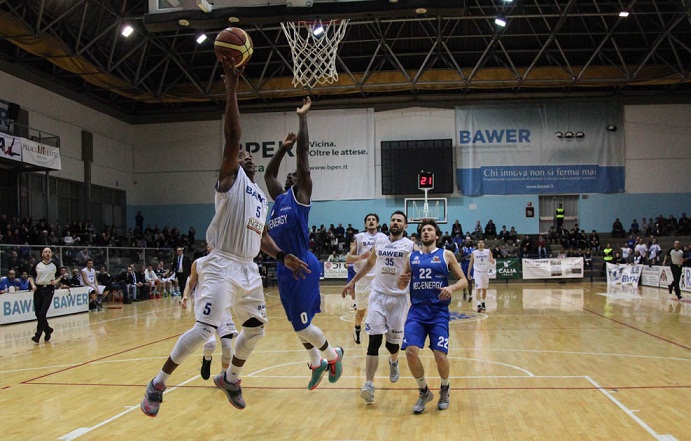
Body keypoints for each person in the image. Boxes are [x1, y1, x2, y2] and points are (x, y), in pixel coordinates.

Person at [140, 57, 309, 418]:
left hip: (248, 270)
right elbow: (233, 136)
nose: (247, 155)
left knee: (257, 331)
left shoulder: (262, 199)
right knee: (205, 331)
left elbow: (262, 236)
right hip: (221, 265)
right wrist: (231, 86)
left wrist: (282, 256)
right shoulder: (230, 182)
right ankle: (157, 383)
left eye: (249, 155)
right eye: (244, 153)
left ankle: (231, 377)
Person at [264, 96, 344, 390]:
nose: (291, 174)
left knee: (301, 324)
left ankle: (333, 356)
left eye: (296, 174)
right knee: (296, 324)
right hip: (284, 265)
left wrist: (302, 118)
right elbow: (269, 174)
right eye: (291, 174)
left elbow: (304, 157)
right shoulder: (279, 198)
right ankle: (315, 363)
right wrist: (281, 149)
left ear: (302, 180)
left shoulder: (301, 196)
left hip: (303, 265)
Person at [342, 210, 417, 405]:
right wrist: (353, 282)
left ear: (405, 226)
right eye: (393, 219)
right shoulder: (380, 242)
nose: (395, 222)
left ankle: (393, 361)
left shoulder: (411, 246)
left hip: (399, 299)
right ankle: (369, 384)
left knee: (392, 345)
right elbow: (369, 265)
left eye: (399, 220)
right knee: (373, 341)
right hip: (377, 296)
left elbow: (419, 268)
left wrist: (412, 279)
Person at [396, 219, 467, 414]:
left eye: (430, 230)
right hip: (417, 312)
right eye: (423, 230)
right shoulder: (412, 257)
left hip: (438, 313)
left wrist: (450, 288)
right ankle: (423, 391)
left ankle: (444, 387)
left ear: (436, 236)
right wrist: (401, 282)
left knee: (440, 355)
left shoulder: (446, 254)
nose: (426, 232)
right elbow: (401, 285)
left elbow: (464, 280)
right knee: (410, 352)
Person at [181, 253, 237, 381]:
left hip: (223, 308)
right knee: (210, 345)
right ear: (209, 246)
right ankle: (207, 359)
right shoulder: (199, 263)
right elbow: (190, 284)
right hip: (205, 309)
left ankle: (224, 377)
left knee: (227, 347)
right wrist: (185, 296)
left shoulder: (229, 263)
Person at [346, 213, 387, 345]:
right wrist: (360, 257)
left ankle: (378, 335)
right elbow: (348, 258)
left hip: (378, 279)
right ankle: (357, 328)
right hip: (362, 279)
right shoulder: (359, 237)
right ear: (365, 224)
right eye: (368, 220)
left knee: (379, 309)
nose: (371, 222)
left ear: (377, 223)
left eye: (373, 220)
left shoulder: (383, 237)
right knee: (361, 312)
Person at [29, 248, 58, 343]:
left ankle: (38, 334)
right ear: (42, 254)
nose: (47, 253)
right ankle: (48, 329)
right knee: (37, 313)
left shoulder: (54, 265)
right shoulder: (37, 264)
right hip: (38, 289)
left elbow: (61, 275)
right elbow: (31, 276)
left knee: (42, 313)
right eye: (45, 252)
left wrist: (56, 281)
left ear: (51, 254)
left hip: (49, 289)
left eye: (49, 252)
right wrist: (33, 285)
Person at [467, 239, 495, 313]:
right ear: (477, 244)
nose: (480, 243)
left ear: (484, 244)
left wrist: (492, 260)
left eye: (482, 242)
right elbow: (470, 263)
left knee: (484, 288)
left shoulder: (488, 251)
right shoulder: (474, 253)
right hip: (477, 272)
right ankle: (478, 304)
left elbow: (492, 260)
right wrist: (468, 273)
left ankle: (483, 302)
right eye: (479, 242)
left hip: (485, 272)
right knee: (478, 288)